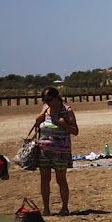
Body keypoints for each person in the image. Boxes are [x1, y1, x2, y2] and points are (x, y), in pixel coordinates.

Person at [33, 86, 78, 215]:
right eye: (44, 100)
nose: (47, 102)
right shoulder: (45, 108)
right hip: (44, 150)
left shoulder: (67, 110)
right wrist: (39, 118)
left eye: (49, 99)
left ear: (56, 97)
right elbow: (38, 125)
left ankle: (64, 207)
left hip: (60, 151)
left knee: (61, 179)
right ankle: (46, 208)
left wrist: (62, 123)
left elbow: (75, 131)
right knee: (44, 179)